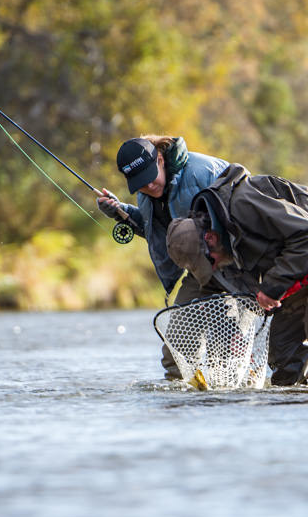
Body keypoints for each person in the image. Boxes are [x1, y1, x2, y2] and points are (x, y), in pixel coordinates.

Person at [165, 163, 308, 388]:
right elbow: (228, 291)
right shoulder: (219, 241)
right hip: (297, 255)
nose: (214, 267)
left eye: (210, 262)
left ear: (210, 238)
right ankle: (296, 399)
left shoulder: (243, 204)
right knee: (282, 342)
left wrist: (271, 287)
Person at [97, 135, 228, 376]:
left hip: (235, 267)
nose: (147, 186)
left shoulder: (202, 172)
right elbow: (159, 231)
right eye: (139, 182)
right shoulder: (146, 192)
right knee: (175, 355)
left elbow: (245, 216)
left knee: (226, 355)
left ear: (160, 159)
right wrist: (121, 212)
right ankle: (182, 394)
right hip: (200, 272)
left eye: (149, 177)